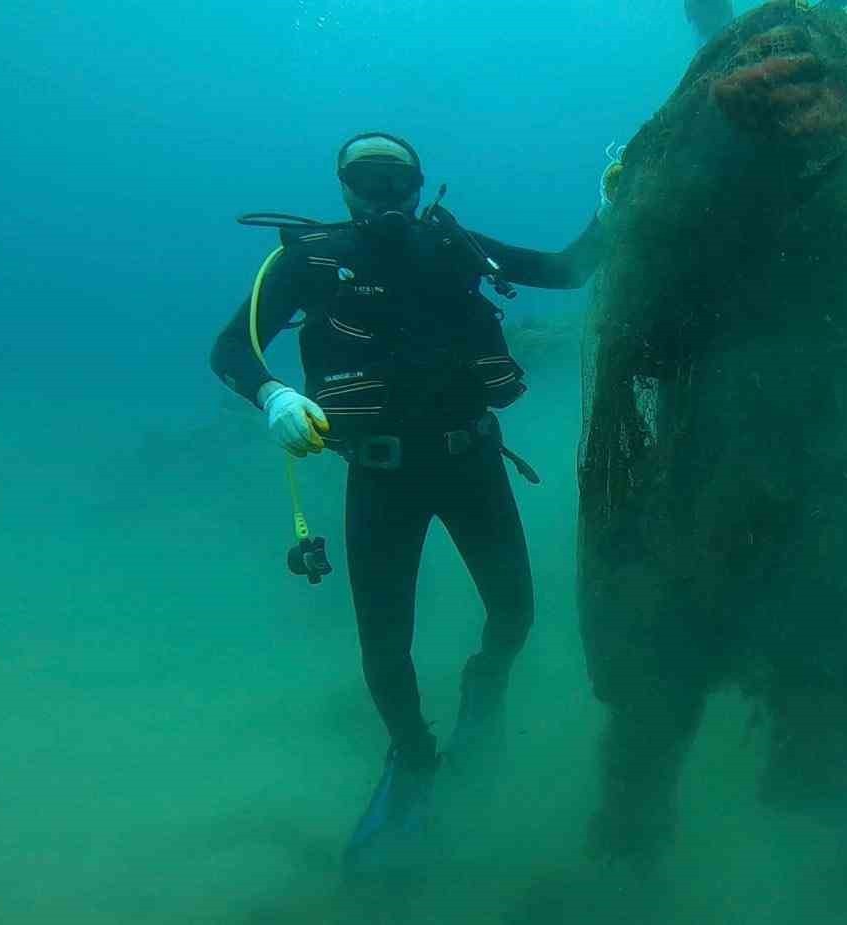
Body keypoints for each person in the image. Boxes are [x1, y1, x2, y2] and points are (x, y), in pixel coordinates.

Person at [209, 132, 606, 872]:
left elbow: (567, 269)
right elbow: (231, 347)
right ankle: (415, 758)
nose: (386, 194)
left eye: (400, 180)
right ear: (344, 187)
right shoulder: (307, 259)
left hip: (470, 460)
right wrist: (272, 394)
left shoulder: (452, 245)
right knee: (385, 644)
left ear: (421, 186)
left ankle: (482, 688)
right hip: (382, 476)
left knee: (515, 612)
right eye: (369, 179)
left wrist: (611, 209)